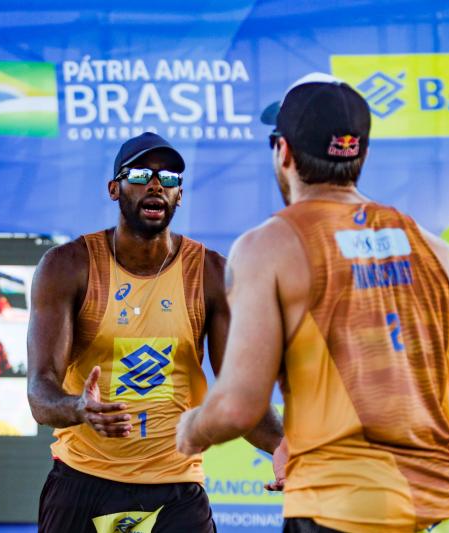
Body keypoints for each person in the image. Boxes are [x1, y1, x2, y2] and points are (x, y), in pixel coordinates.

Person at [176, 73, 449, 533]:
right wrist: (401, 395)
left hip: (343, 510)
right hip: (443, 509)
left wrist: (190, 430)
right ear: (361, 154)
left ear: (283, 153)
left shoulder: (269, 246)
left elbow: (239, 406)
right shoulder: (433, 248)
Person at [27, 132, 284, 532]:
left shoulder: (211, 275)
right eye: (142, 173)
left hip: (174, 486)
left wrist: (286, 447)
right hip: (83, 480)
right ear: (114, 188)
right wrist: (79, 408)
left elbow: (239, 394)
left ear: (179, 196)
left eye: (168, 179)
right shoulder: (68, 266)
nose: (155, 185)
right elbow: (40, 394)